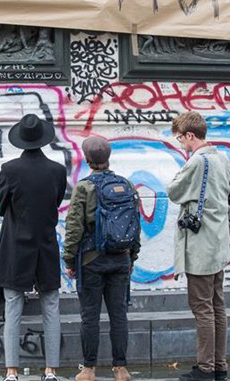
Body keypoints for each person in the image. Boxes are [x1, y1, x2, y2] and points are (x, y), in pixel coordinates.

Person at [0, 113, 67, 381]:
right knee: (51, 304)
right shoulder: (58, 170)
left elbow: (1, 206)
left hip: (15, 245)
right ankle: (51, 371)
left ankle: (12, 372)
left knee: (12, 305)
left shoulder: (9, 169)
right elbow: (56, 202)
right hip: (45, 243)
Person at [168, 112, 230, 381]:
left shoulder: (197, 161)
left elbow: (174, 191)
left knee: (202, 308)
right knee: (217, 305)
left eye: (180, 138)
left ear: (190, 135)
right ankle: (219, 366)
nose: (180, 143)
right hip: (220, 243)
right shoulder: (221, 157)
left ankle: (205, 368)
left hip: (200, 246)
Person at [63, 136, 139, 381]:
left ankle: (89, 369)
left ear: (87, 160)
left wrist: (69, 260)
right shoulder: (125, 184)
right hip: (120, 260)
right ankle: (121, 369)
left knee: (90, 316)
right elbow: (134, 224)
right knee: (119, 315)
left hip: (91, 262)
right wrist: (132, 257)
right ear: (108, 158)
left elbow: (74, 227)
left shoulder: (84, 187)